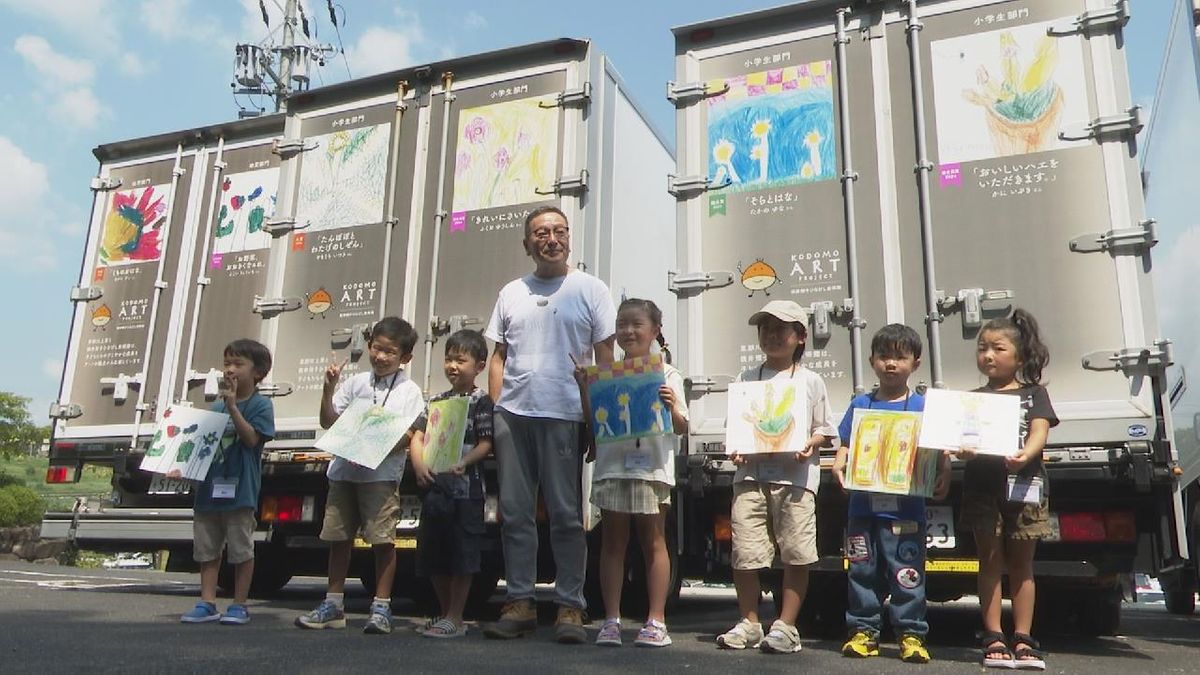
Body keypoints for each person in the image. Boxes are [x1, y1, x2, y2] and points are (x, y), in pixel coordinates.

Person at [481, 205, 617, 644]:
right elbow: (498, 357)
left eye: (559, 230)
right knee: (515, 514)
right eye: (541, 232)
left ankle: (569, 607)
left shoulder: (591, 289)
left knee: (566, 515)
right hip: (514, 416)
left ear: (570, 239)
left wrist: (599, 419)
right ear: (527, 243)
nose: (551, 238)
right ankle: (519, 602)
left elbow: (606, 358)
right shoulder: (511, 292)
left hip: (566, 414)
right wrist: (500, 405)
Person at [717, 300, 836, 654]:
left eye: (780, 329)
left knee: (797, 551)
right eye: (765, 329)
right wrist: (736, 449)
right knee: (745, 550)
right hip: (750, 476)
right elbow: (736, 428)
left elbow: (825, 430)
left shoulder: (810, 381)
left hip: (796, 479)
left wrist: (809, 443)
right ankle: (749, 622)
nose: (771, 336)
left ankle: (786, 625)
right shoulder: (745, 379)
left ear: (800, 337)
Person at [295, 317, 425, 635]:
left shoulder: (409, 391)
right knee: (338, 538)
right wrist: (328, 389)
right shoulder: (355, 383)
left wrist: (370, 447)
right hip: (342, 472)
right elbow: (329, 422)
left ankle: (381, 606)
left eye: (389, 352)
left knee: (383, 541)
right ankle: (333, 603)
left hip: (379, 477)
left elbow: (411, 434)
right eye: (376, 348)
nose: (380, 357)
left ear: (405, 358)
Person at [831, 324, 950, 663]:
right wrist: (840, 463)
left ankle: (911, 633)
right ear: (872, 361)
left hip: (907, 509)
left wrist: (943, 473)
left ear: (916, 361)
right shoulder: (861, 403)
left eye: (900, 356)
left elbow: (940, 449)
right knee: (861, 569)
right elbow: (845, 443)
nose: (892, 364)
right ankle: (863, 631)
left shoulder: (922, 406)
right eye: (884, 356)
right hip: (862, 508)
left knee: (906, 571)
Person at [581, 298, 688, 649]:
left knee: (653, 542)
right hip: (612, 466)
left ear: (655, 330)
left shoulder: (667, 373)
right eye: (622, 324)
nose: (628, 331)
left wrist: (672, 406)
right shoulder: (608, 372)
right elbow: (595, 424)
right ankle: (611, 620)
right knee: (612, 544)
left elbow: (684, 426)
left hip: (652, 467)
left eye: (636, 324)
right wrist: (586, 387)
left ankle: (656, 620)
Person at [956, 309, 1056, 670]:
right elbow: (962, 441)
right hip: (983, 487)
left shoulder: (1035, 394)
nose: (988, 355)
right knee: (990, 561)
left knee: (1022, 564)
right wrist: (963, 450)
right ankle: (993, 633)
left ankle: (1024, 636)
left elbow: (1040, 433)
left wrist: (1024, 455)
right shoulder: (973, 398)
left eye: (998, 348)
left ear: (1019, 356)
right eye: (983, 348)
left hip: (1026, 487)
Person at [180, 339, 275, 625]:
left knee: (241, 548)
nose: (230, 370)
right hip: (209, 490)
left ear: (258, 372)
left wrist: (233, 407)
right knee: (207, 548)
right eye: (226, 364)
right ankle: (207, 601)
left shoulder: (261, 405)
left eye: (238, 364)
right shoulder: (215, 408)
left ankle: (239, 604)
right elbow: (201, 448)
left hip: (240, 490)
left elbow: (251, 440)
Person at [408, 329, 495, 639]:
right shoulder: (436, 401)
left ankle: (456, 615)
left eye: (461, 360)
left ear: (480, 365)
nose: (453, 366)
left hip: (467, 492)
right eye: (448, 359)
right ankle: (447, 613)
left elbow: (486, 443)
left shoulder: (482, 401)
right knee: (432, 553)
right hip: (436, 489)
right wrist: (418, 464)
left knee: (462, 554)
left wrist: (465, 461)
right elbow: (417, 436)